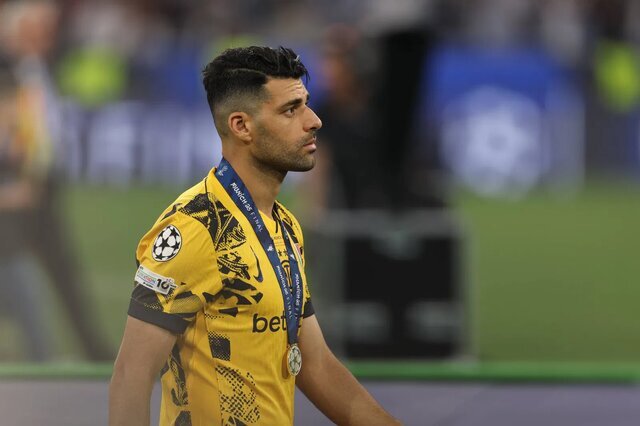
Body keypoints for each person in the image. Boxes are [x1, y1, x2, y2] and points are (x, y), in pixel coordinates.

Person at [109, 46, 401, 425]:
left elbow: (315, 363)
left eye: (306, 104)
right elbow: (131, 376)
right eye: (290, 110)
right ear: (241, 126)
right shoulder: (195, 228)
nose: (314, 120)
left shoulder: (284, 226)